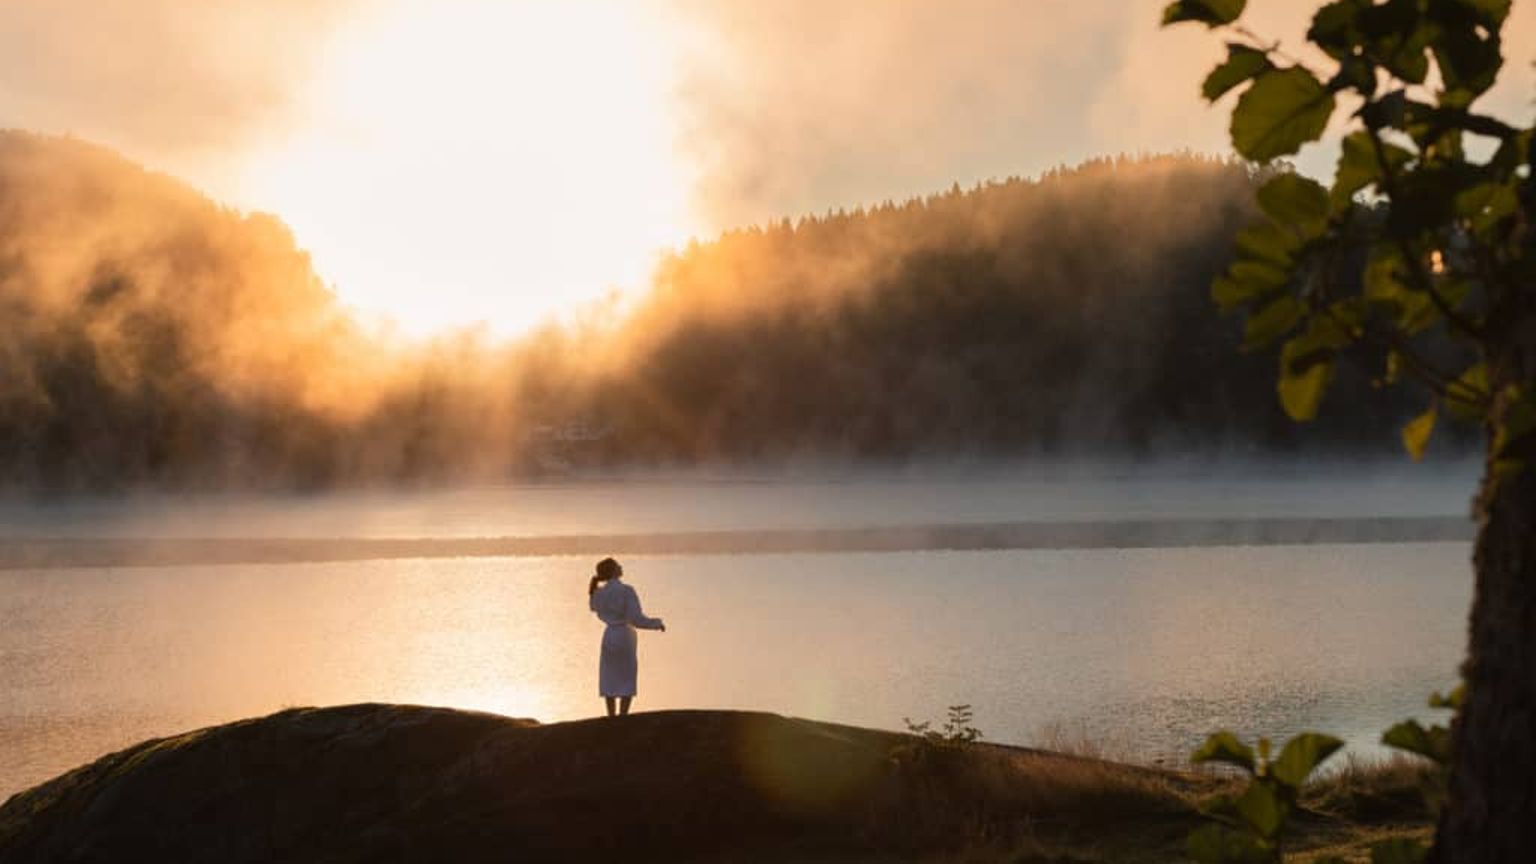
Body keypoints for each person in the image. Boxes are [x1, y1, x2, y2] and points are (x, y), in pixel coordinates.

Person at [587, 557, 665, 717]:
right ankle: (623, 715)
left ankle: (611, 715)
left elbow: (593, 607)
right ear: (613, 571)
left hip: (609, 635)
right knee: (626, 675)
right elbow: (636, 619)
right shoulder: (626, 591)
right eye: (618, 565)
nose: (621, 566)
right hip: (625, 636)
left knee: (609, 675)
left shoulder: (599, 593)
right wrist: (657, 624)